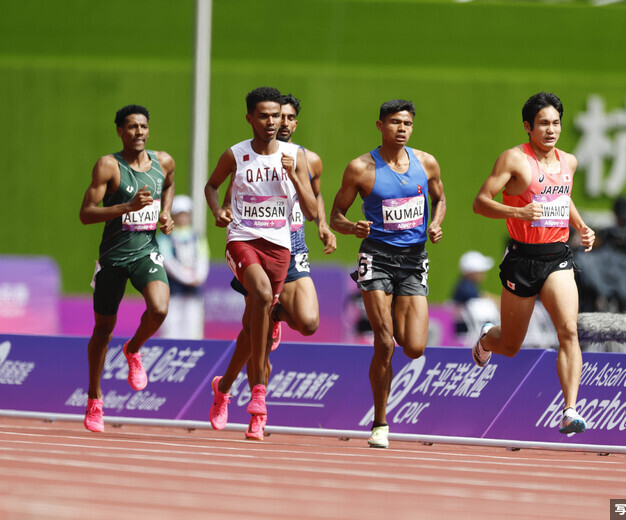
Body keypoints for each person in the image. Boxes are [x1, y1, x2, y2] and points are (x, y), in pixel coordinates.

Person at [209, 93, 338, 434]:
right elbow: (228, 193)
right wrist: (221, 212)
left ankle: (274, 318)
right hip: (253, 242)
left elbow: (315, 199)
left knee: (308, 322)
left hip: (292, 245)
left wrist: (323, 226)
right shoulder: (243, 155)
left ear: (294, 122)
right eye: (275, 116)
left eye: (288, 118)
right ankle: (244, 403)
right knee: (256, 331)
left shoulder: (307, 159)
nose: (281, 123)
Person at [471, 92, 595, 435]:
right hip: (522, 259)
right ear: (528, 127)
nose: (551, 129)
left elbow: (563, 198)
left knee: (568, 330)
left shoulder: (568, 161)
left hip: (556, 258)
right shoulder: (513, 160)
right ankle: (486, 339)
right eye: (543, 123)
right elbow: (480, 203)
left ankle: (570, 410)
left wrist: (581, 227)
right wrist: (518, 212)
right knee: (510, 346)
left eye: (556, 123)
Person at [330, 99, 446, 448]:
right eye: (394, 122)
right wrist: (352, 228)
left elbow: (440, 199)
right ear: (380, 126)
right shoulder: (361, 168)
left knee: (414, 347)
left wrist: (436, 224)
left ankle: (398, 316)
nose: (401, 129)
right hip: (376, 258)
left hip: (413, 259)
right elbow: (336, 214)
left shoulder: (426, 163)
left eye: (407, 123)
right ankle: (380, 423)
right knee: (384, 342)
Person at [78, 104, 175, 432]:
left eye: (143, 126)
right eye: (132, 127)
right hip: (113, 259)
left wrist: (166, 213)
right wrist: (126, 207)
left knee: (160, 309)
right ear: (120, 131)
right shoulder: (109, 166)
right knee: (103, 329)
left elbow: (169, 185)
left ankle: (133, 349)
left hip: (146, 252)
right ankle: (94, 398)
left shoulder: (163, 162)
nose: (139, 132)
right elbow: (86, 213)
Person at [156, 194, 210, 339]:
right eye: (180, 214)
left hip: (194, 287)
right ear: (173, 216)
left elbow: (203, 258)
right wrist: (186, 278)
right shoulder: (165, 237)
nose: (183, 218)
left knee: (193, 321)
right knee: (172, 321)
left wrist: (198, 277)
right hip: (172, 287)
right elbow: (168, 262)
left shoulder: (197, 236)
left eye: (186, 214)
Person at [452, 251, 500, 346]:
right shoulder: (466, 288)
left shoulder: (467, 286)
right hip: (468, 335)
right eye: (480, 270)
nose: (483, 273)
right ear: (471, 272)